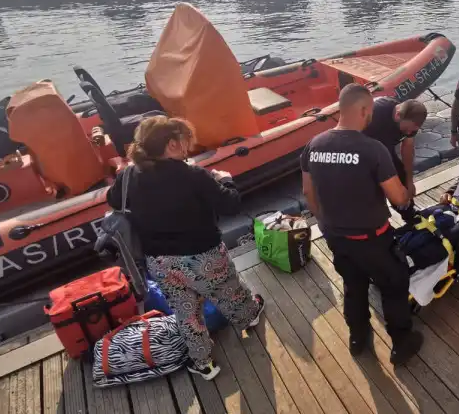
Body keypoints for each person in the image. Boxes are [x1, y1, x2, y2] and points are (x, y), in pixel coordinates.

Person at [106, 116, 264, 382]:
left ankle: (203, 363)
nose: (188, 146)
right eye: (185, 141)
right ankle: (249, 317)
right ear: (171, 144)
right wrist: (226, 180)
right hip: (202, 255)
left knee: (185, 311)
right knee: (229, 290)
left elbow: (113, 200)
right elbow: (230, 205)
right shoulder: (192, 175)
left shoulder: (130, 174)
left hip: (160, 260)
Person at [301, 84, 424, 365]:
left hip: (337, 238)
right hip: (373, 239)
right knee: (393, 285)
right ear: (364, 110)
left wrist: (326, 223)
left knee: (353, 286)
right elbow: (397, 196)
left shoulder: (314, 145)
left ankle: (358, 338)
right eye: (369, 112)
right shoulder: (373, 150)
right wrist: (407, 189)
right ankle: (402, 342)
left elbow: (308, 192)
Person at [363, 97, 428, 222]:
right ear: (398, 115)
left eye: (412, 131)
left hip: (386, 152)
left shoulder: (411, 122)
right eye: (406, 130)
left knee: (402, 182)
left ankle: (409, 216)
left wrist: (409, 181)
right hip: (364, 156)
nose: (409, 132)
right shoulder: (375, 113)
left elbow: (407, 148)